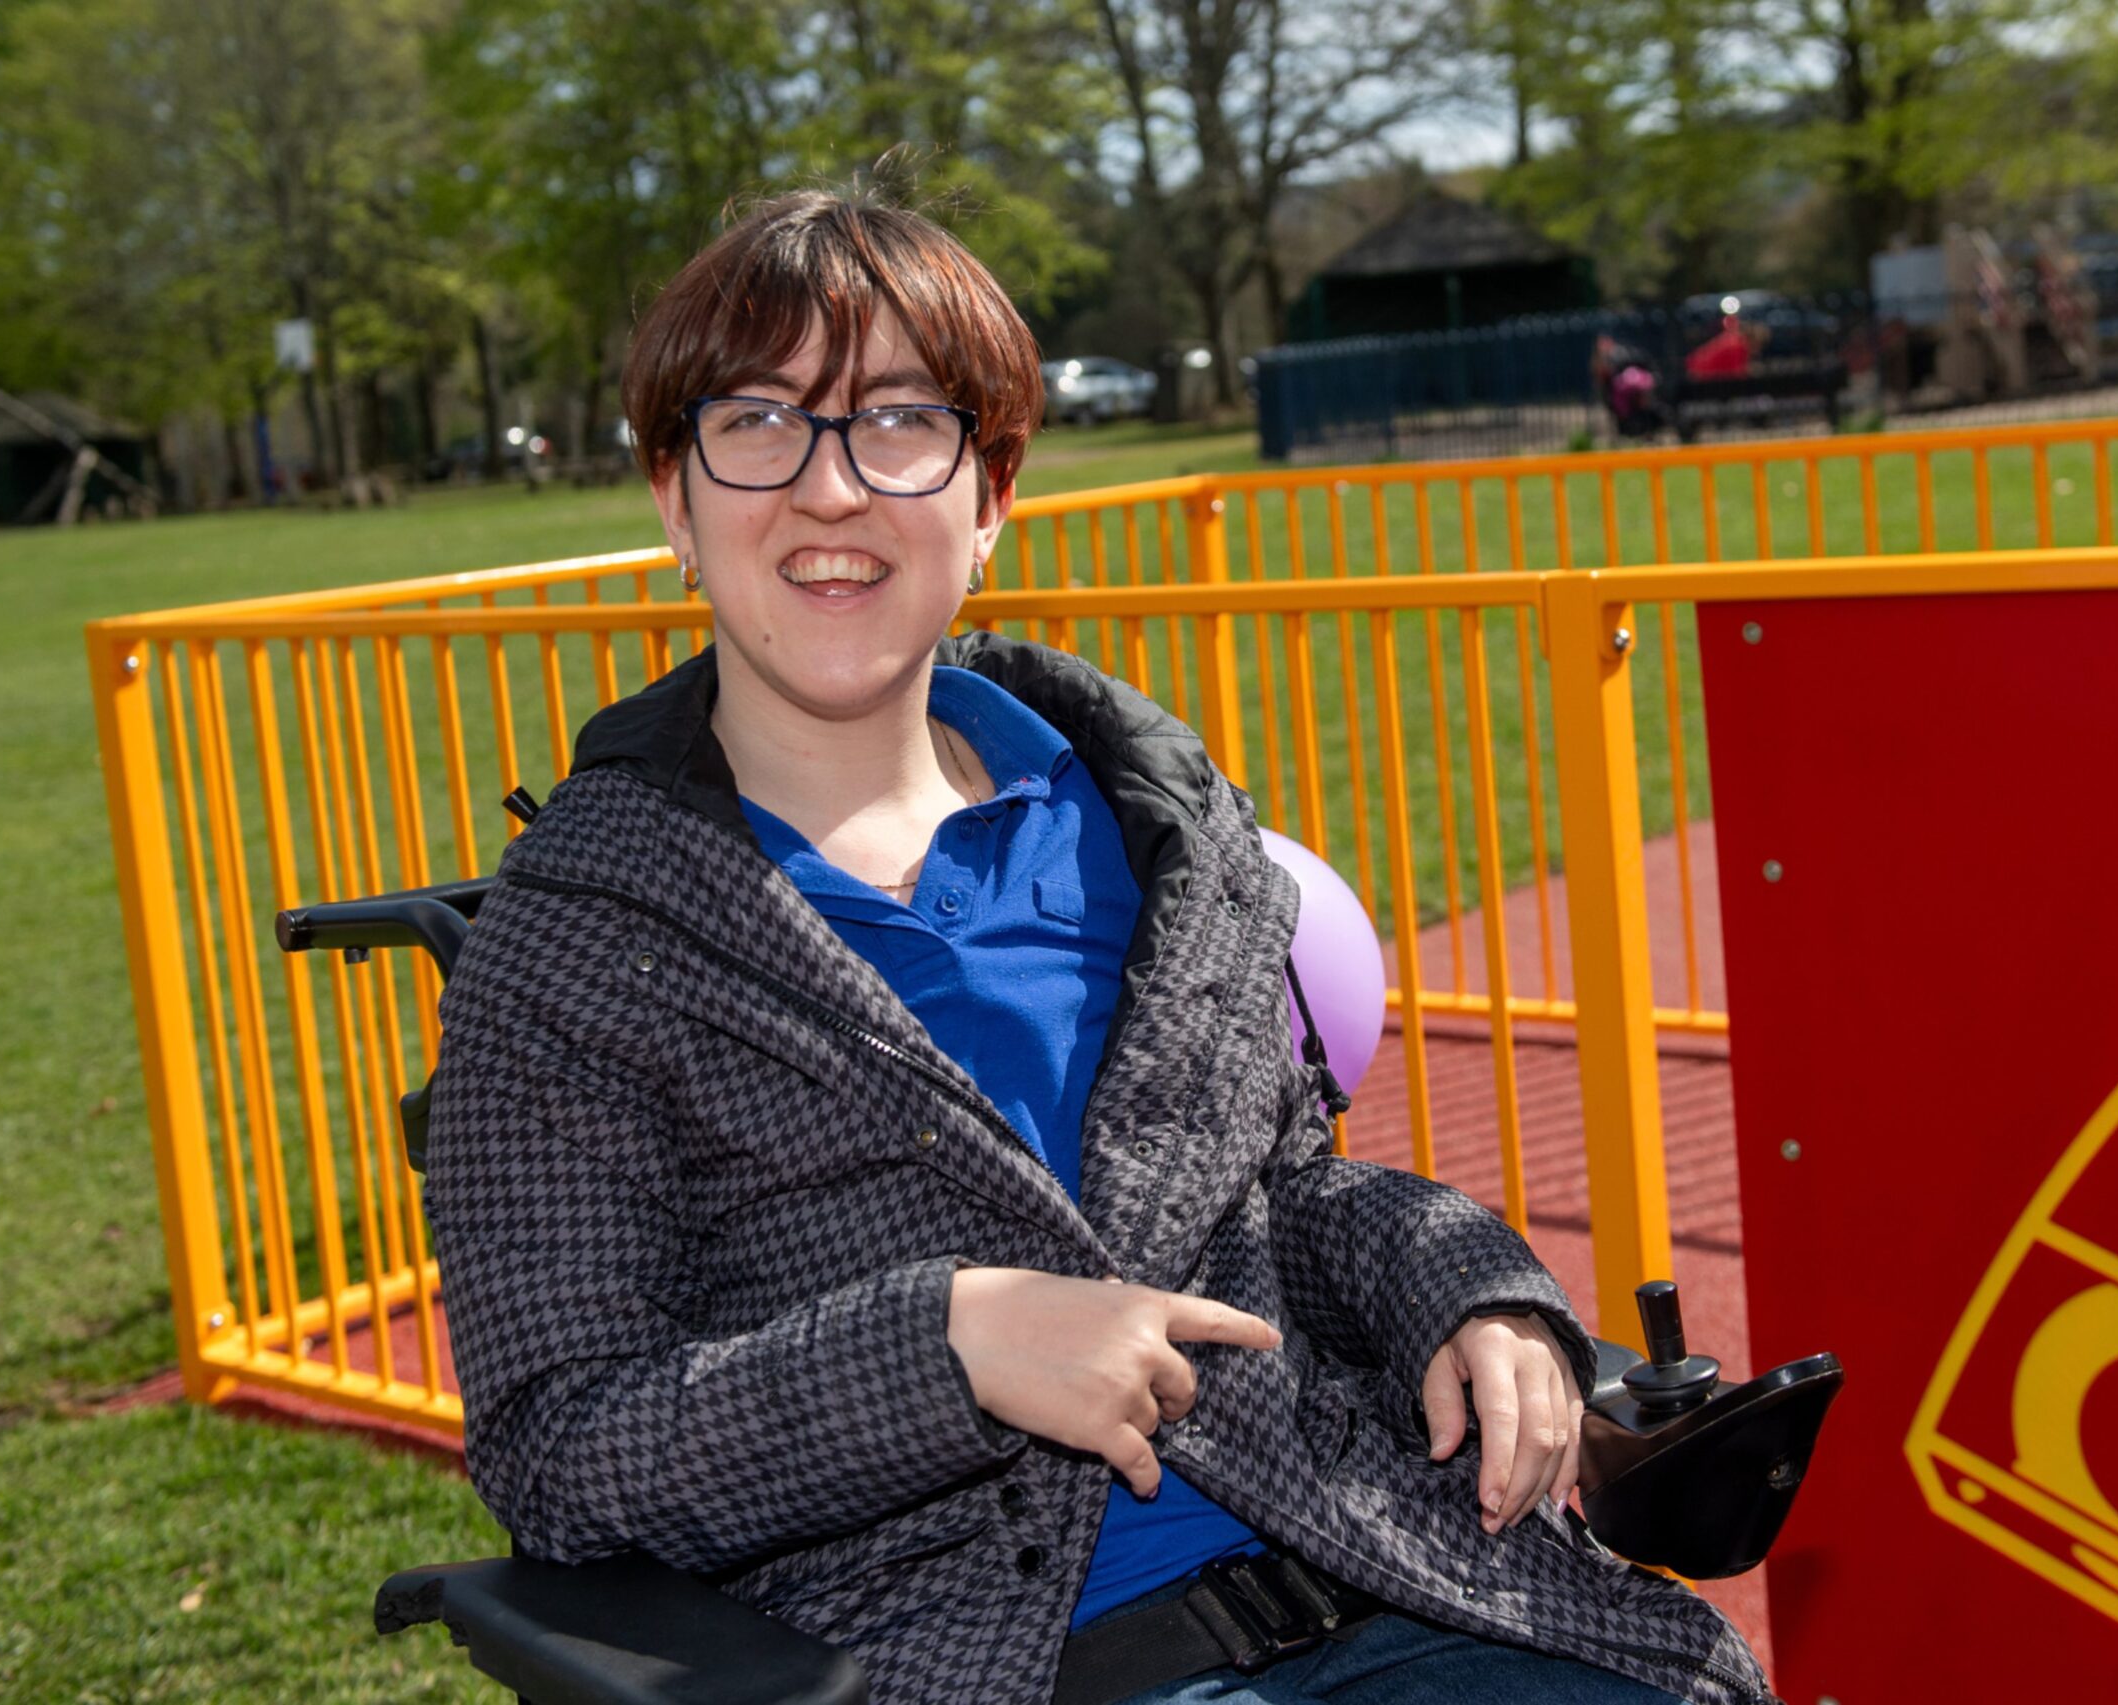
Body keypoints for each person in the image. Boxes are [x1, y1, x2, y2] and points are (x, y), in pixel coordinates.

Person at [422, 183, 1770, 1705]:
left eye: (897, 424)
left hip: (1389, 1583)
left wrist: (1468, 1290)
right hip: (981, 1661)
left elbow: (1280, 1207)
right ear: (674, 497)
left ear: (989, 497)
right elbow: (564, 1453)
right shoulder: (584, 942)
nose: (831, 490)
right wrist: (945, 1343)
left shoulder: (1144, 828)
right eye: (757, 423)